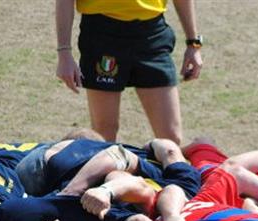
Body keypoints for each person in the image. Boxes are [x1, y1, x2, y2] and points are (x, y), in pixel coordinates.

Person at [55, 0, 202, 143]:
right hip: (103, 35)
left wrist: (193, 44)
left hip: (152, 35)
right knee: (104, 133)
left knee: (171, 137)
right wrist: (64, 52)